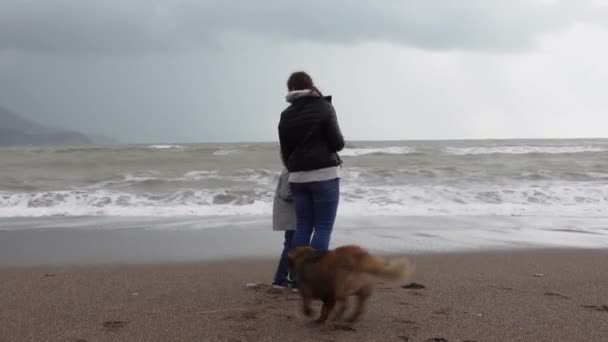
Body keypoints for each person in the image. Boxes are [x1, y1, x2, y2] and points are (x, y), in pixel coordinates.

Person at [278, 71, 345, 253]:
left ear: (290, 89)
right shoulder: (324, 107)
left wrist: (296, 167)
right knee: (323, 227)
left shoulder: (286, 115)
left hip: (297, 178)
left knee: (303, 226)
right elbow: (338, 144)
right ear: (310, 85)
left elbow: (285, 152)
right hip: (325, 175)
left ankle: (298, 275)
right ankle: (316, 275)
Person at [271, 169, 297, 289]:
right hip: (290, 214)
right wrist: (305, 194)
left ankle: (286, 278)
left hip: (292, 214)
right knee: (291, 246)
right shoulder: (289, 171)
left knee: (292, 245)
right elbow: (286, 193)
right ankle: (280, 279)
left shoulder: (290, 169)